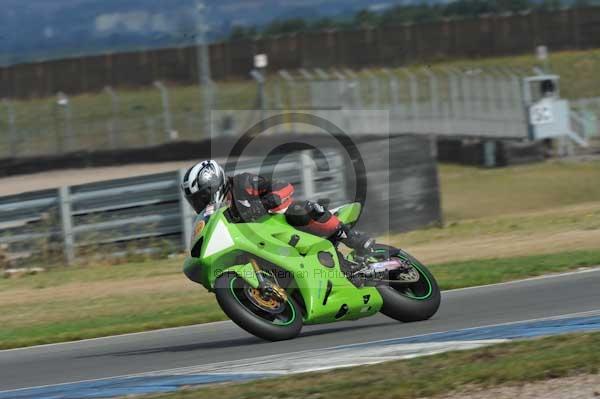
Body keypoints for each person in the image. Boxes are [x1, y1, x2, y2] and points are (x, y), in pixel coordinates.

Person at [181, 160, 375, 253]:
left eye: (202, 196)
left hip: (283, 224)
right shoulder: (217, 217)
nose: (200, 203)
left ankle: (349, 236)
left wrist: (266, 202)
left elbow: (284, 187)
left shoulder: (242, 182)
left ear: (214, 184)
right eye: (195, 201)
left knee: (299, 210)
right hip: (263, 243)